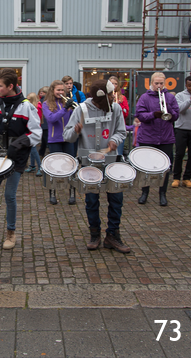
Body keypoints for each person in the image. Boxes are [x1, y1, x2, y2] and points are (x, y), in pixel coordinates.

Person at [0, 68, 42, 250]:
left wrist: (18, 144)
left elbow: (37, 133)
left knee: (9, 195)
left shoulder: (27, 106)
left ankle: (11, 233)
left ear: (11, 86)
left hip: (16, 158)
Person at [63, 79, 130, 253]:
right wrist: (75, 131)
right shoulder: (81, 110)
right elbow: (67, 136)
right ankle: (95, 234)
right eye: (109, 95)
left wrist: (114, 140)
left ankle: (112, 235)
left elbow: (121, 131)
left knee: (116, 199)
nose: (113, 98)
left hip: (111, 161)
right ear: (100, 97)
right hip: (88, 163)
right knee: (91, 200)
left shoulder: (115, 109)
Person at [135, 71, 179, 206]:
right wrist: (154, 114)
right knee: (146, 168)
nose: (159, 86)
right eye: (156, 83)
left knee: (165, 169)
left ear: (164, 83)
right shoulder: (144, 97)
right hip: (148, 138)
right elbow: (140, 115)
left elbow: (176, 116)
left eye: (161, 83)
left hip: (165, 138)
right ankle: (145, 193)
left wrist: (169, 108)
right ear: (151, 83)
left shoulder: (170, 98)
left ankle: (162, 194)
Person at [42, 80, 75, 205]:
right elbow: (51, 119)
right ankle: (53, 192)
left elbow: (74, 118)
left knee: (72, 167)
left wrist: (74, 109)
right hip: (54, 139)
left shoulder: (66, 102)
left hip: (68, 139)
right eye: (58, 90)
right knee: (54, 168)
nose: (61, 92)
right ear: (52, 91)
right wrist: (66, 109)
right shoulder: (46, 104)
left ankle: (72, 192)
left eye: (62, 90)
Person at [172, 75, 191, 188]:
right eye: (189, 85)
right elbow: (179, 110)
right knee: (179, 154)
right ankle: (176, 178)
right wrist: (190, 100)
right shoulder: (180, 95)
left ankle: (187, 178)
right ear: (186, 85)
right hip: (181, 129)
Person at [109, 76, 129, 156]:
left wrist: (119, 106)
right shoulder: (105, 97)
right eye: (111, 83)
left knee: (118, 154)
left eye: (115, 84)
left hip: (118, 125)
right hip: (109, 126)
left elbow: (126, 114)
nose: (113, 85)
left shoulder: (123, 98)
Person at [25, 93, 43, 177]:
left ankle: (40, 167)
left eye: (28, 99)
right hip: (30, 130)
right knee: (31, 149)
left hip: (33, 131)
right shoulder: (32, 107)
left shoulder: (36, 108)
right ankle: (32, 165)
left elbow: (36, 121)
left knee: (33, 150)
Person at [37, 86, 49, 158]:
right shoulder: (47, 101)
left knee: (44, 139)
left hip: (44, 123)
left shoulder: (42, 101)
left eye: (43, 92)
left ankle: (41, 152)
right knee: (45, 139)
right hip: (46, 123)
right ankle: (42, 152)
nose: (41, 93)